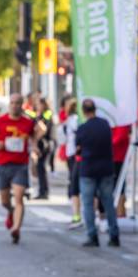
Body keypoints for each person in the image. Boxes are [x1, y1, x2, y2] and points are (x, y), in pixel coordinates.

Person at [0, 93, 42, 244]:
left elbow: (36, 134)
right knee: (4, 201)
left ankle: (16, 228)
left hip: (20, 165)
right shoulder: (0, 121)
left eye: (18, 103)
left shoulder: (27, 123)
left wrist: (35, 146)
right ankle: (10, 211)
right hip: (3, 164)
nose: (14, 105)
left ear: (22, 105)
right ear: (9, 104)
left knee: (19, 198)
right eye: (12, 103)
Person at [75, 99, 120, 247]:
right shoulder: (105, 125)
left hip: (88, 169)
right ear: (95, 109)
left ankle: (92, 236)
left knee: (88, 204)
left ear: (83, 111)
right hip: (106, 168)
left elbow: (78, 147)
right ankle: (114, 235)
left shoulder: (83, 128)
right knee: (108, 203)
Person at [58, 96, 82, 229]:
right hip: (73, 154)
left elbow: (62, 139)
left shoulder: (72, 121)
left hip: (75, 155)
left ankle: (77, 215)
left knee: (75, 186)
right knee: (78, 184)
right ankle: (81, 215)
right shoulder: (73, 121)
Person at [33, 97, 54, 199]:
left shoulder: (47, 114)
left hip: (45, 143)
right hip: (43, 143)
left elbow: (43, 128)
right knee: (40, 168)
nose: (38, 106)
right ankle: (42, 190)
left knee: (41, 167)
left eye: (39, 104)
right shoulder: (42, 114)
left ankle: (43, 191)